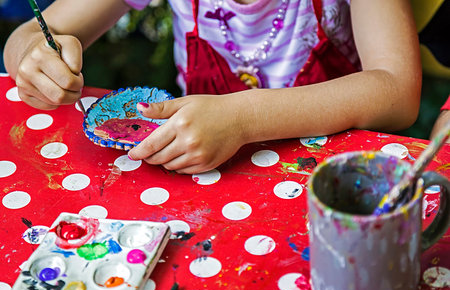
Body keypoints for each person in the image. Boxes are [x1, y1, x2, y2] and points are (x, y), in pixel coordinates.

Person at [3, 0, 421, 174]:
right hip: (206, 171)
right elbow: (35, 33)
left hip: (331, 176)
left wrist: (244, 117)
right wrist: (34, 56)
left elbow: (397, 92)